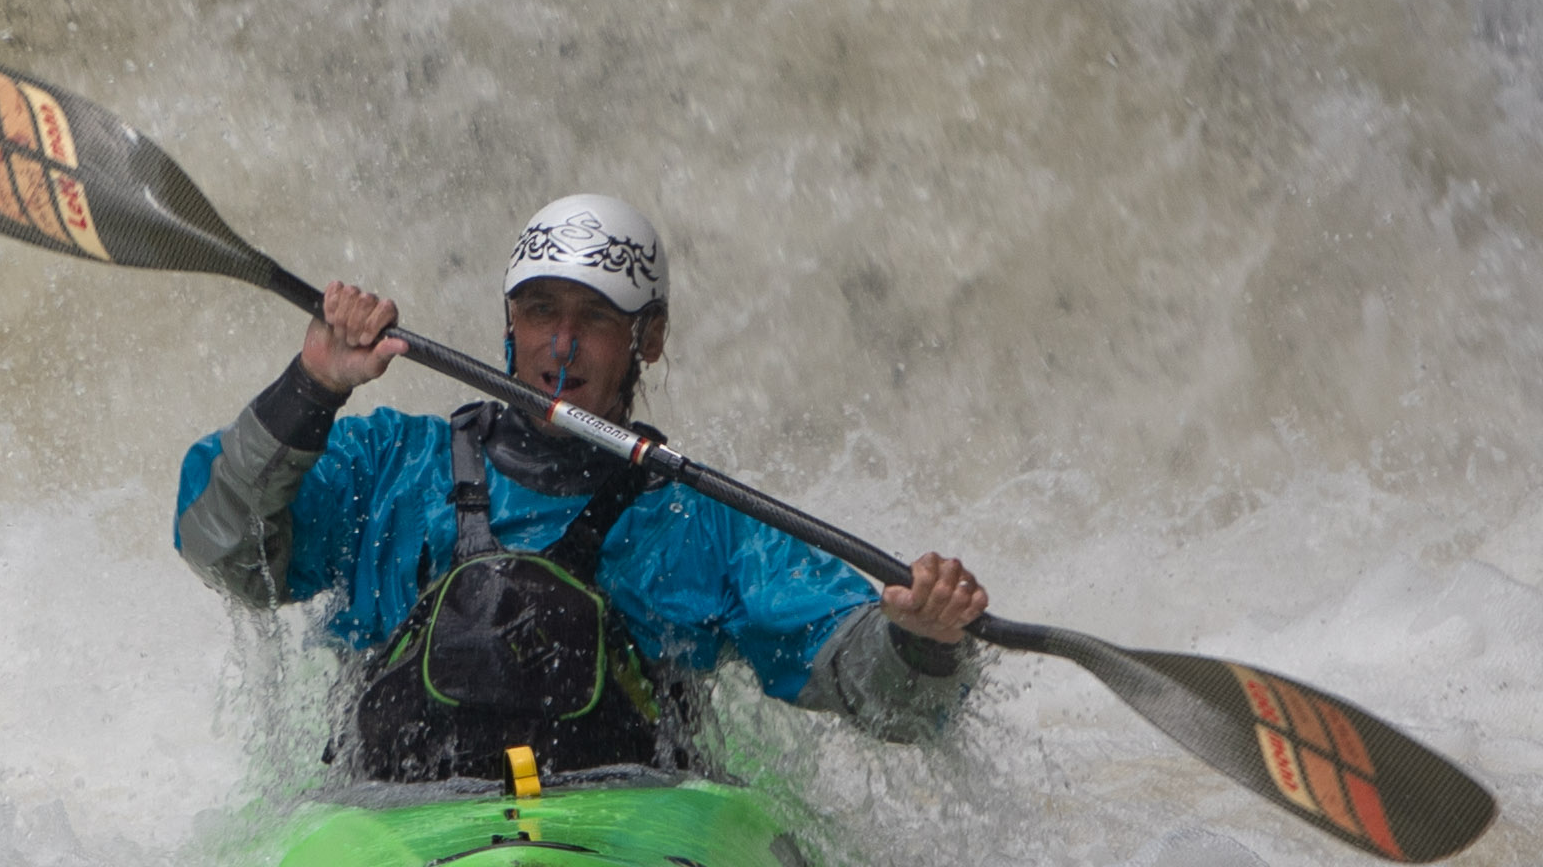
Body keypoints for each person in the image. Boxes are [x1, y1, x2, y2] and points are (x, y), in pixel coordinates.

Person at [173, 191, 987, 784]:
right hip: (394, 814)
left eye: (595, 319)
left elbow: (873, 688)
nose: (561, 346)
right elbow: (221, 549)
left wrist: (920, 640)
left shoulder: (700, 521)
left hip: (620, 830)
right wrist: (311, 386)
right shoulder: (389, 465)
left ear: (649, 338)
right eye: (540, 312)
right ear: (509, 324)